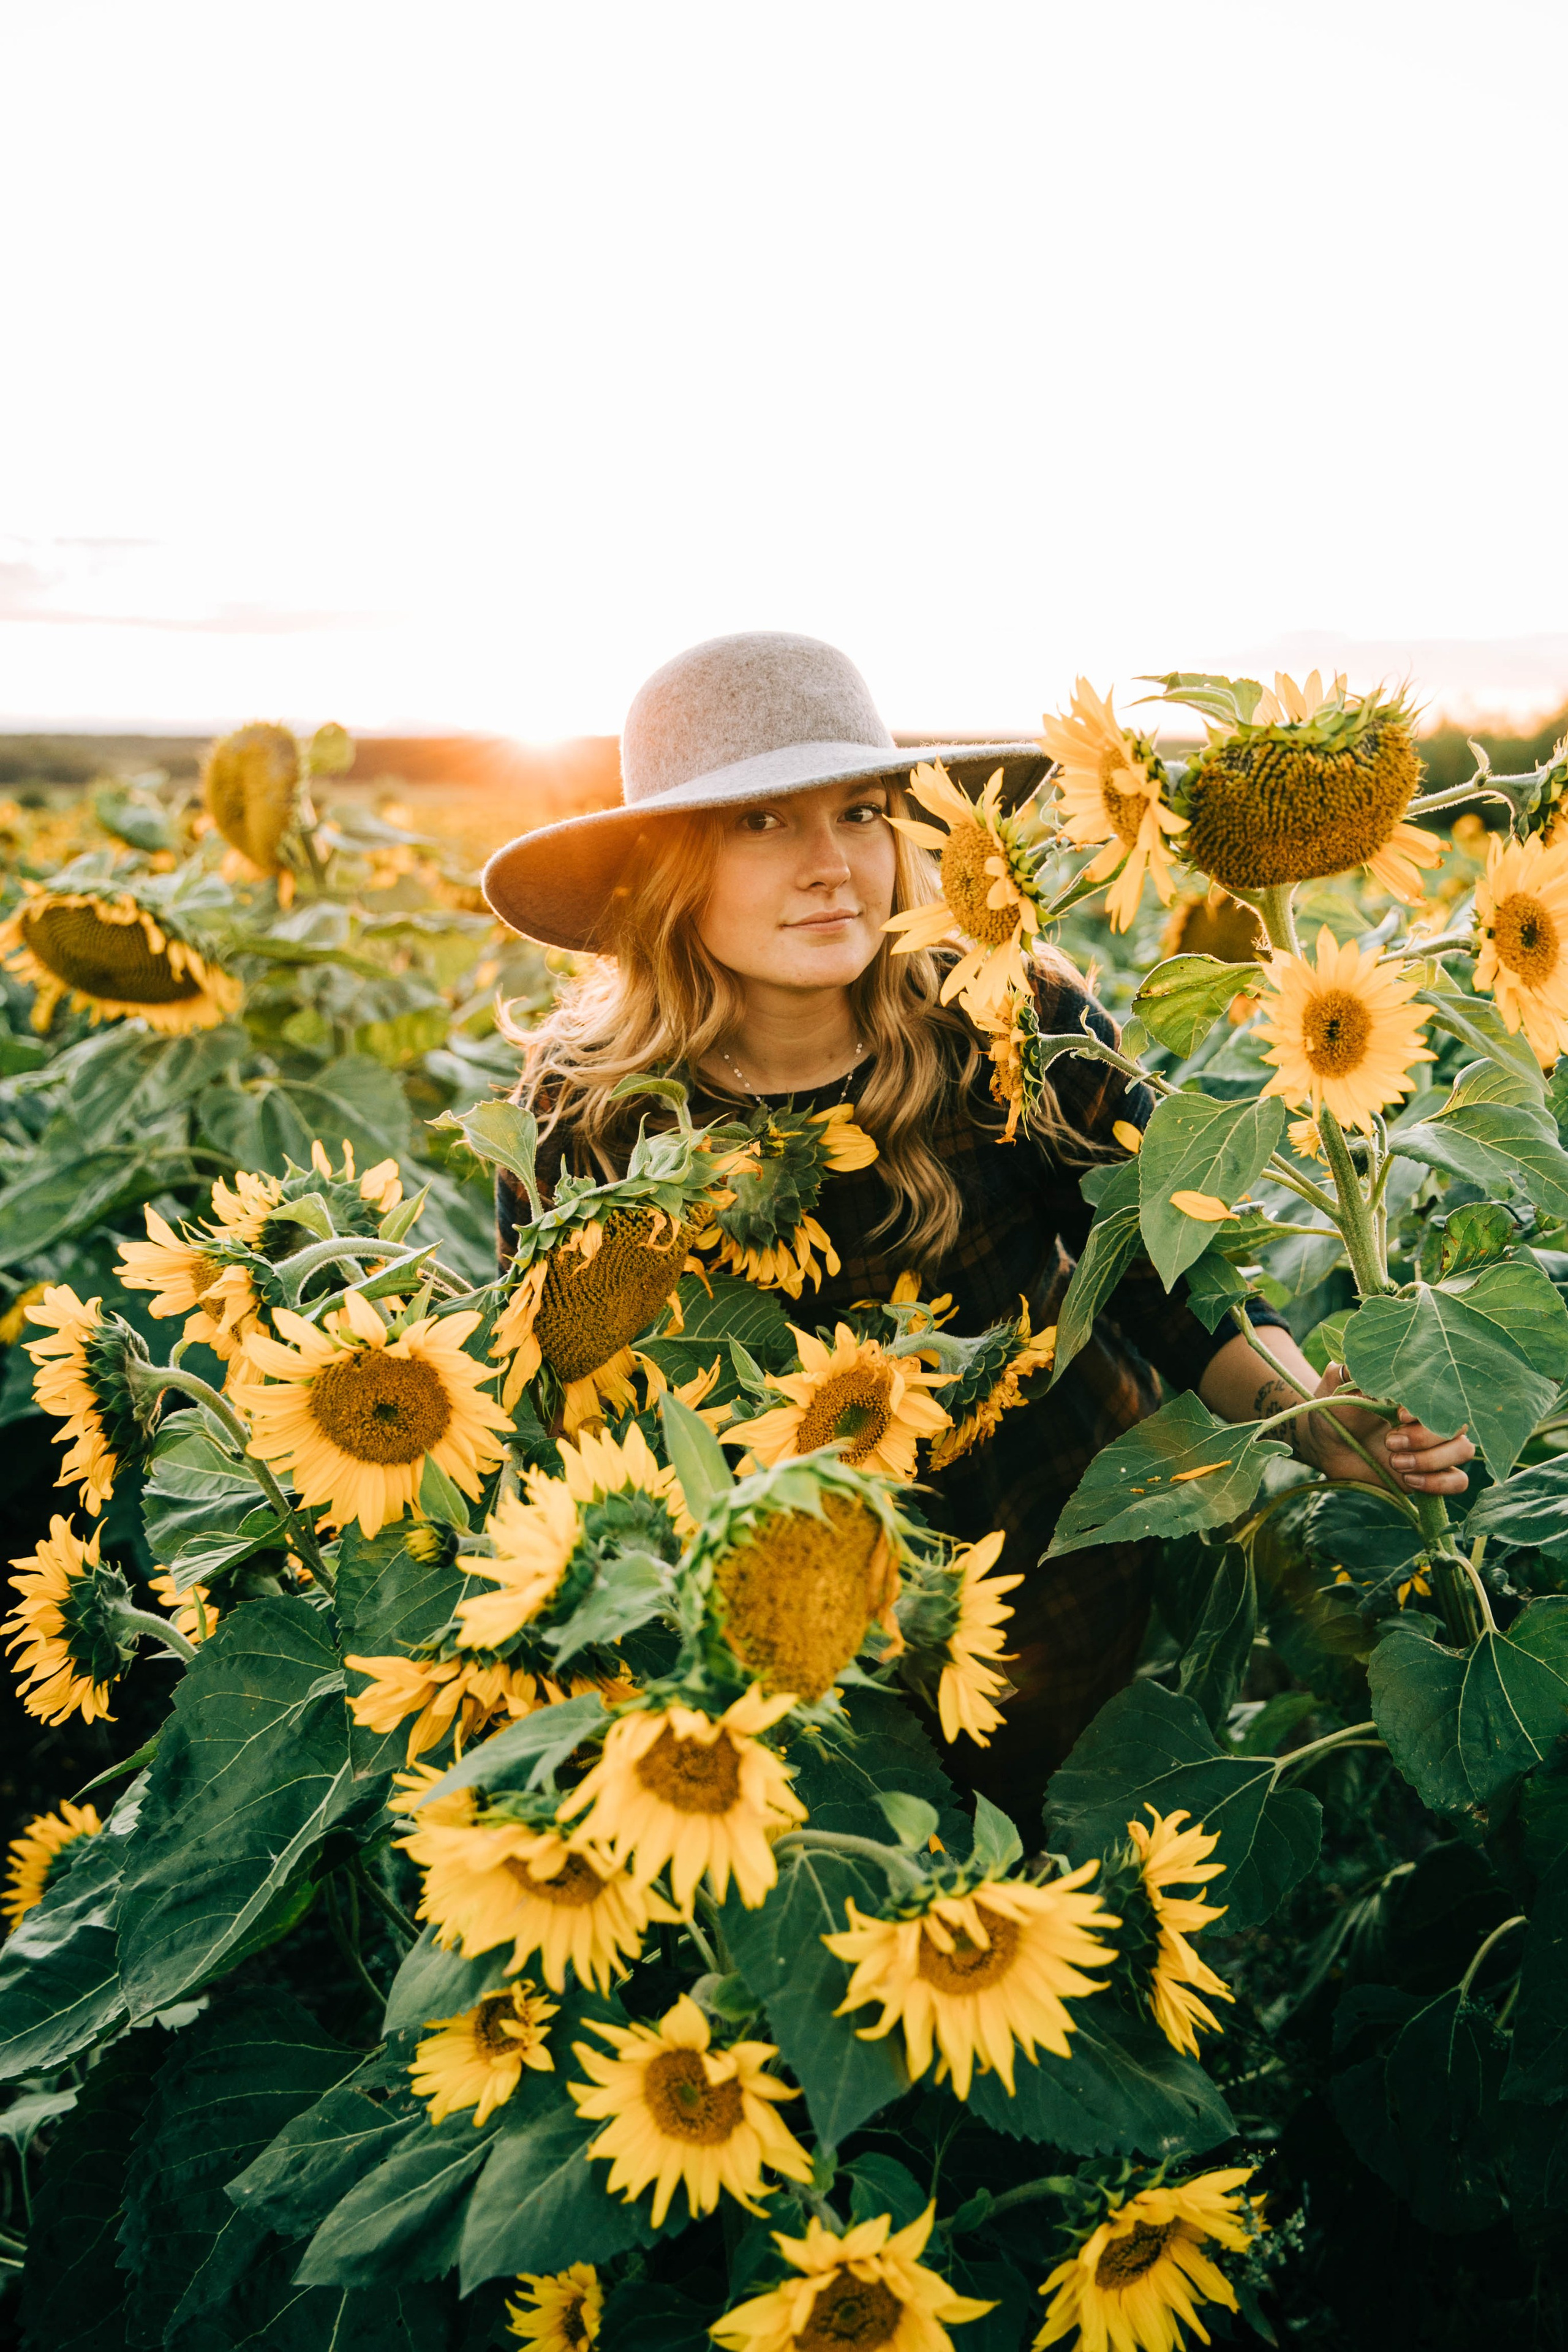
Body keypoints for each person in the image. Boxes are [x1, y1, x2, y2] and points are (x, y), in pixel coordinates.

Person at [481, 632, 1474, 1817]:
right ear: (661, 868)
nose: (831, 867)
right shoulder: (587, 1116)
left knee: (1041, 1839)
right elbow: (562, 1397)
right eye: (760, 824)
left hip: (1043, 1541)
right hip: (769, 1599)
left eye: (860, 812)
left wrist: (1303, 1410)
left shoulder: (1008, 1018)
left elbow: (1168, 1262)